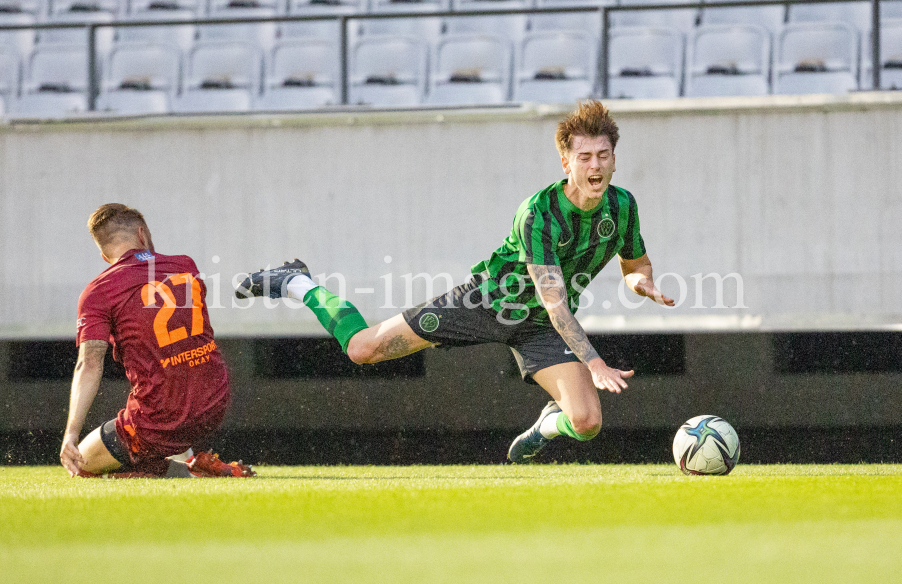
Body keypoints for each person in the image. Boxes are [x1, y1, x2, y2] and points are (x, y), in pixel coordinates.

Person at [237, 100, 675, 463]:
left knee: (586, 423)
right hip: (485, 303)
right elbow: (557, 304)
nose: (595, 166)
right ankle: (296, 283)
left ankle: (547, 422)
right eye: (585, 157)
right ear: (566, 162)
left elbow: (636, 265)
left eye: (603, 155)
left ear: (614, 159)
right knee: (362, 350)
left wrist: (641, 283)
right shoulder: (538, 213)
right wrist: (595, 363)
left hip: (540, 327)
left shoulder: (622, 206)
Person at [61, 204, 254, 478]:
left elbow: (89, 364)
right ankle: (195, 462)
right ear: (142, 234)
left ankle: (190, 474)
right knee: (168, 371)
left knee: (80, 465)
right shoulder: (185, 265)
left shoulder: (98, 291)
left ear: (105, 255)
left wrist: (70, 434)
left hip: (162, 418)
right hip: (215, 402)